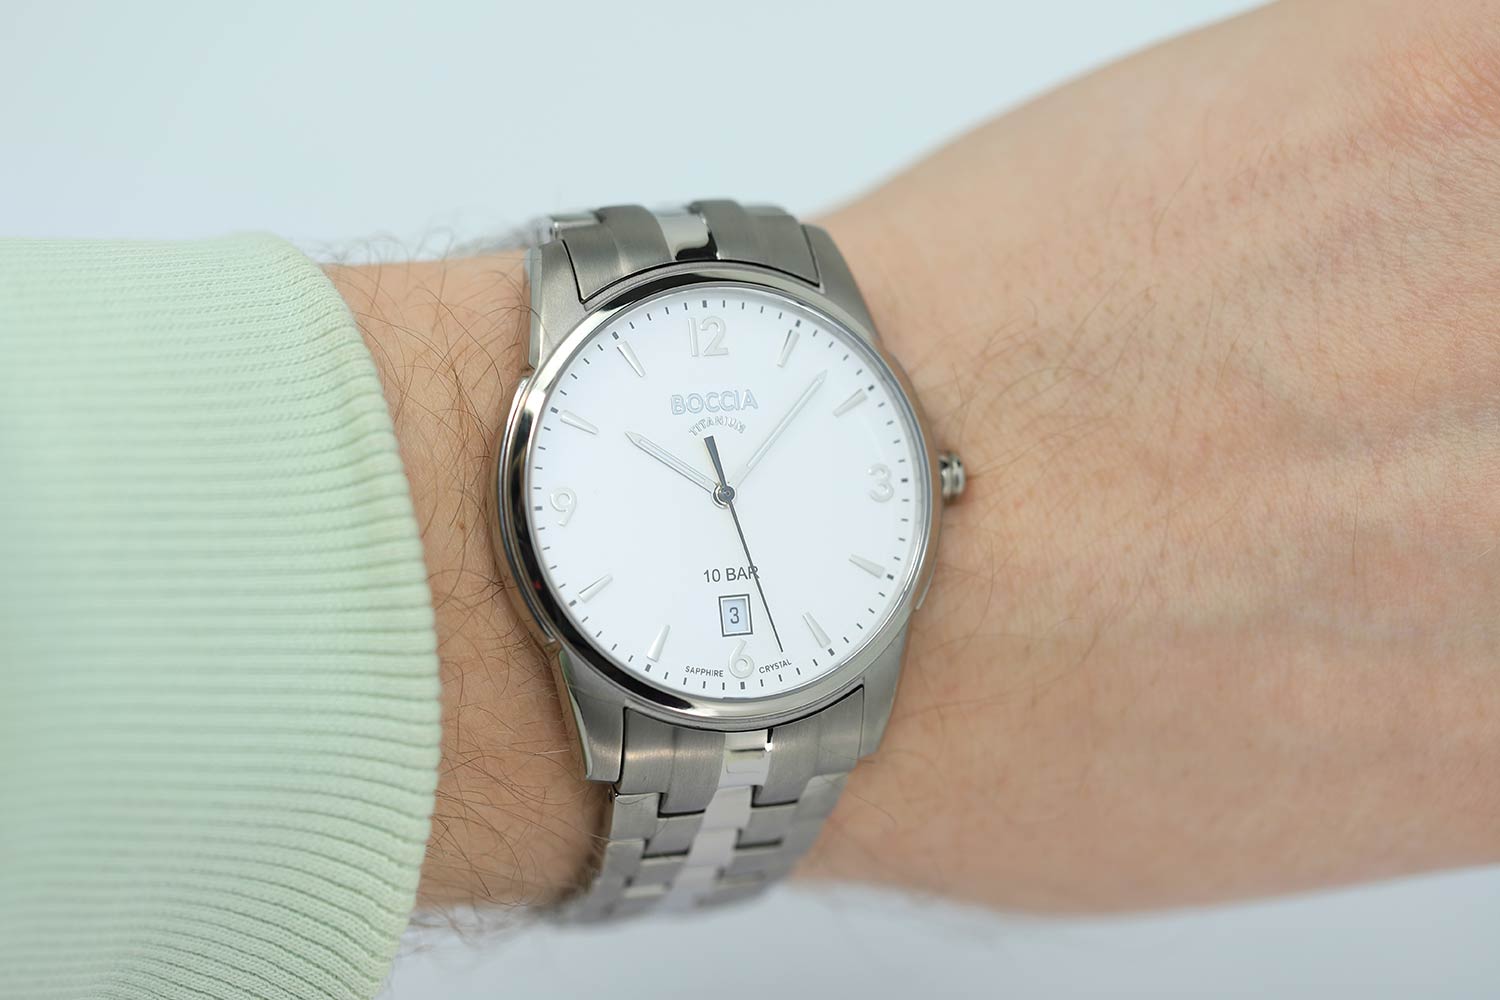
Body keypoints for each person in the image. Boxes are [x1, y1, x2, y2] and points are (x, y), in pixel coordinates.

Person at [3, 1, 1497, 996]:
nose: (723, 480)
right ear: (525, 451)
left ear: (936, 476)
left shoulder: (872, 490)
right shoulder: (553, 442)